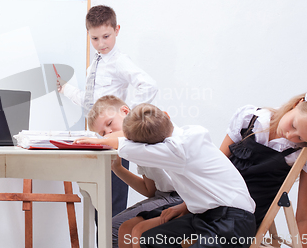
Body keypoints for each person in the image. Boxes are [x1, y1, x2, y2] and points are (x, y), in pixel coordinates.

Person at [123, 91, 307, 248]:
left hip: (238, 217)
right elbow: (214, 166)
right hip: (206, 202)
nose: (291, 137)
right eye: (294, 126)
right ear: (297, 103)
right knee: (131, 228)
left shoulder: (305, 156)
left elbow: (304, 216)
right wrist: (186, 205)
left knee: (145, 234)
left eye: (301, 139)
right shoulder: (249, 119)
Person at [83, 103, 256, 248]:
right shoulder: (190, 132)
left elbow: (127, 147)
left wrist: (100, 141)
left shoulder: (175, 150)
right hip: (205, 214)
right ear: (167, 115)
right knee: (145, 237)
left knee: (143, 235)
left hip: (232, 222)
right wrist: (185, 207)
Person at [58, 4, 159, 217]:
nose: (101, 44)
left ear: (117, 30)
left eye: (106, 36)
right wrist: (65, 89)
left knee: (112, 204)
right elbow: (89, 102)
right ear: (88, 35)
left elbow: (149, 86)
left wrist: (130, 118)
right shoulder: (95, 64)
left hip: (114, 140)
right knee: (97, 206)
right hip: (97, 139)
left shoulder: (119, 61)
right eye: (95, 39)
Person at [80, 95, 183, 248]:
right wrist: (118, 169)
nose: (108, 133)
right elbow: (150, 190)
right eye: (102, 133)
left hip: (181, 196)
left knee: (112, 229)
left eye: (110, 123)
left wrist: (99, 141)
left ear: (125, 111)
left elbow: (124, 134)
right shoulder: (135, 147)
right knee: (112, 226)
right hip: (164, 196)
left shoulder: (148, 127)